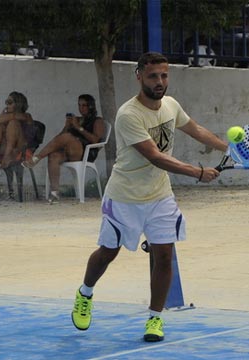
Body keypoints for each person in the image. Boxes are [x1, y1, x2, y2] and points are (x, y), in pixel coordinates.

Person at [70, 52, 228, 342]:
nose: (160, 81)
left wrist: (226, 148)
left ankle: (155, 319)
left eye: (164, 75)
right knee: (108, 253)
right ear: (139, 76)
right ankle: (85, 293)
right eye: (154, 75)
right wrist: (197, 172)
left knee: (164, 255)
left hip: (159, 196)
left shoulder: (170, 105)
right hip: (124, 196)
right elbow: (156, 157)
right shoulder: (129, 114)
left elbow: (195, 129)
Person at [22, 94, 106, 203]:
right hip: (70, 151)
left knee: (67, 137)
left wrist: (78, 128)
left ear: (91, 106)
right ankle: (55, 193)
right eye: (79, 105)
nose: (81, 108)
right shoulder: (77, 120)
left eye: (84, 105)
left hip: (86, 152)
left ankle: (37, 158)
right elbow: (59, 139)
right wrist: (67, 126)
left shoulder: (97, 121)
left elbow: (95, 140)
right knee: (53, 155)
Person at [0, 91, 33, 171]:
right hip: (5, 148)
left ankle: (7, 156)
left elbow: (13, 116)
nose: (7, 105)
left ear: (18, 104)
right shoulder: (6, 115)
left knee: (13, 123)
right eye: (6, 102)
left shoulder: (26, 115)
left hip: (21, 149)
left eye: (9, 102)